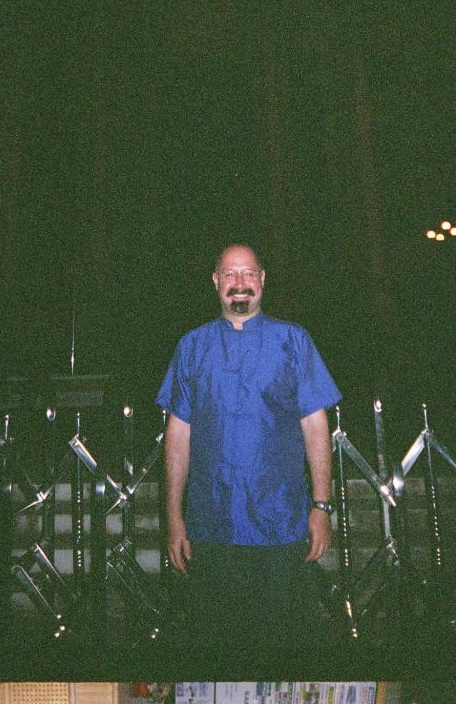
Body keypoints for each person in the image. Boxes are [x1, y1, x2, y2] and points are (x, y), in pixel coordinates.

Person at [156, 244, 342, 663]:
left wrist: (321, 506)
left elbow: (315, 427)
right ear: (215, 282)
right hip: (210, 527)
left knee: (286, 650)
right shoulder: (191, 347)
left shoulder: (293, 341)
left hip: (281, 525)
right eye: (229, 274)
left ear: (262, 279)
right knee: (213, 650)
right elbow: (178, 435)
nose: (239, 283)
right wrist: (173, 517)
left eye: (247, 273)